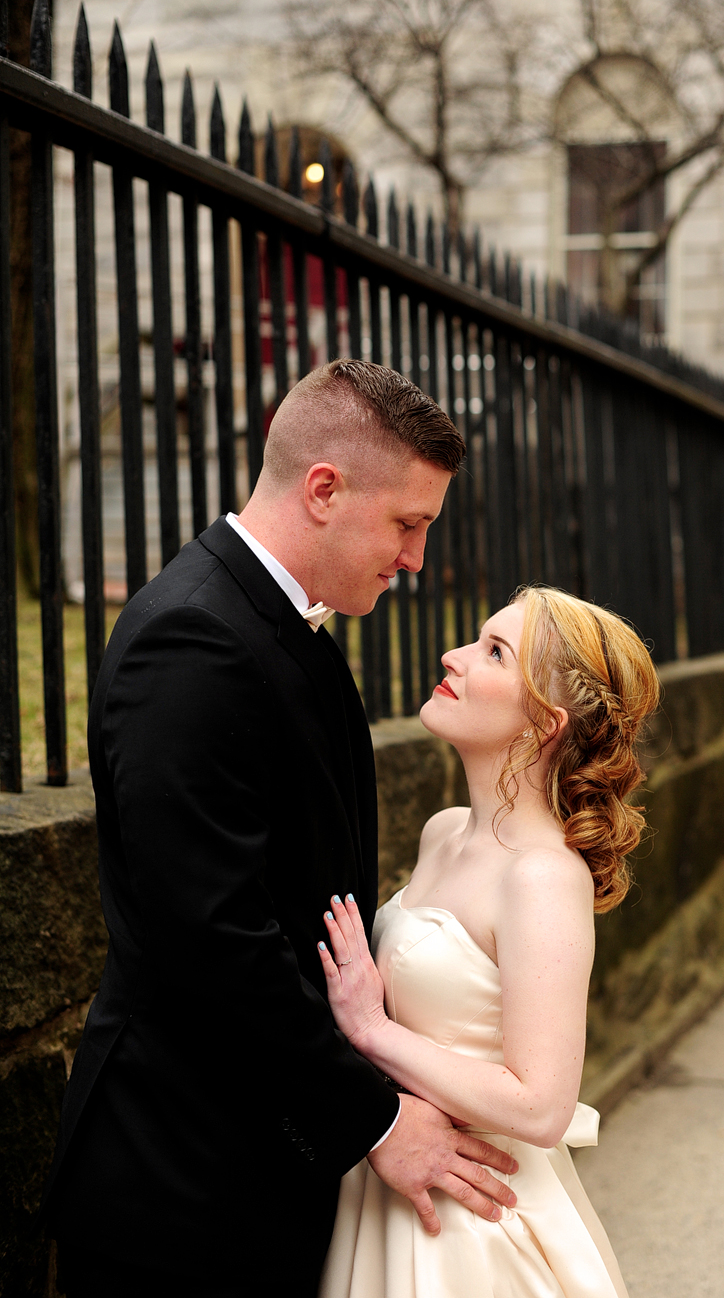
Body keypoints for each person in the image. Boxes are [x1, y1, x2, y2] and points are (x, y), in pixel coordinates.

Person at [42, 360, 519, 1298]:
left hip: (257, 1170)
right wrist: (375, 1121)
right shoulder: (192, 638)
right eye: (409, 524)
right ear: (325, 489)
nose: (417, 557)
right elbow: (212, 936)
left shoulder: (277, 626)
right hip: (181, 1191)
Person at [315, 584, 660, 1298]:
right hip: (386, 1185)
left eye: (493, 651)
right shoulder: (443, 831)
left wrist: (373, 1032)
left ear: (545, 722)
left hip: (474, 1224)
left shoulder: (542, 878)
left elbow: (541, 1105)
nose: (453, 654)